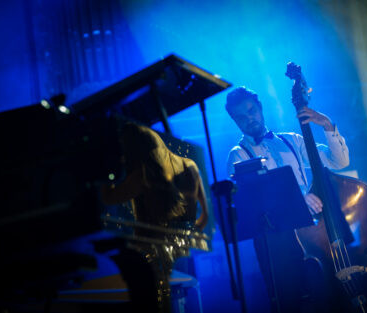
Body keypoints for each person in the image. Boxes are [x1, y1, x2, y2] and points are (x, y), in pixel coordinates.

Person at [225, 87, 349, 312]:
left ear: (260, 109)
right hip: (276, 241)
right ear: (234, 121)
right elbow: (256, 200)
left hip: (311, 232)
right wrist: (300, 198)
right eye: (241, 117)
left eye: (251, 111)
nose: (249, 118)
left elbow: (338, 162)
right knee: (289, 303)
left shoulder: (292, 140)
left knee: (327, 295)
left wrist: (327, 125)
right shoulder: (238, 154)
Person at [101, 122, 209, 312]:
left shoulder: (143, 175)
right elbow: (204, 218)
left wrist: (107, 172)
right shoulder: (188, 165)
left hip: (151, 254)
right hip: (183, 250)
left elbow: (109, 198)